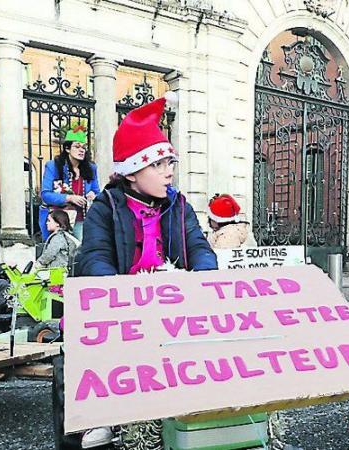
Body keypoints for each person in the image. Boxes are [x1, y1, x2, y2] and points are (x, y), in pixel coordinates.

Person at [72, 93, 217, 448]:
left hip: (176, 303)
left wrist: (204, 276)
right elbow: (93, 258)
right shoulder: (104, 207)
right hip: (127, 309)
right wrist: (124, 291)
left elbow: (199, 247)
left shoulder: (179, 205)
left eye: (171, 163)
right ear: (132, 174)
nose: (170, 171)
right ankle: (103, 415)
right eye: (159, 164)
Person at [39, 125, 100, 241]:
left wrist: (94, 196)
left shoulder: (91, 168)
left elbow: (97, 193)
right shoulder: (53, 166)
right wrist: (69, 198)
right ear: (67, 149)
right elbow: (45, 195)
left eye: (83, 147)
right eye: (77, 146)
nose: (81, 150)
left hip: (81, 220)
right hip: (58, 220)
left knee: (81, 252)